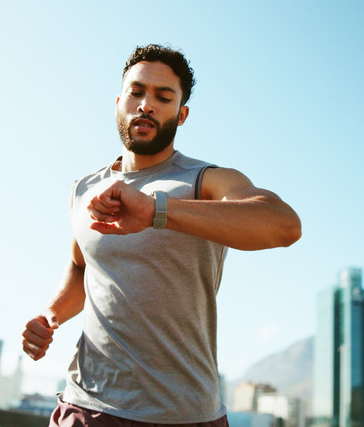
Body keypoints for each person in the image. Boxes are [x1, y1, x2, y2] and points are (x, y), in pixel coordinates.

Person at [22, 44, 302, 426]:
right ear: (119, 102)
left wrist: (157, 210)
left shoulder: (205, 180)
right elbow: (80, 267)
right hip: (88, 408)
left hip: (185, 415)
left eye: (163, 96)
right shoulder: (83, 189)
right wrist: (50, 315)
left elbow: (284, 225)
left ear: (181, 114)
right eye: (136, 92)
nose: (146, 104)